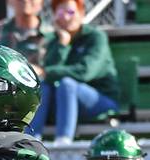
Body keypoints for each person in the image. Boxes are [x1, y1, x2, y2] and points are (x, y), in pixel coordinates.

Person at [27, 0, 118, 143]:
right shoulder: (54, 40)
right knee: (43, 87)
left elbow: (85, 72)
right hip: (62, 102)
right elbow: (49, 76)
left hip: (99, 101)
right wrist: (63, 44)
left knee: (67, 83)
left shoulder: (96, 37)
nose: (66, 17)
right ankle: (30, 142)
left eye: (70, 12)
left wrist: (47, 72)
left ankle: (63, 142)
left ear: (82, 13)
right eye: (61, 12)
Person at [0, 0, 45, 71]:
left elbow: (55, 71)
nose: (26, 1)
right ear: (9, 1)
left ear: (42, 2)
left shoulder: (52, 35)